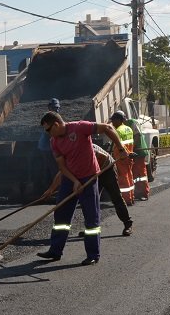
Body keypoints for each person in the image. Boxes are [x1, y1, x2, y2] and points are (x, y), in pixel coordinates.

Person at [36, 111, 125, 266]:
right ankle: (55, 250)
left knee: (91, 216)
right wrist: (74, 182)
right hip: (69, 179)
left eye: (48, 130)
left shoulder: (79, 127)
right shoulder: (54, 142)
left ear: (56, 124)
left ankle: (93, 254)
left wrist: (121, 148)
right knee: (61, 214)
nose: (48, 134)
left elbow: (107, 128)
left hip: (89, 177)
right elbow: (62, 167)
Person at [40, 142, 133, 237]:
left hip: (107, 168)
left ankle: (128, 224)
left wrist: (84, 180)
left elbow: (99, 161)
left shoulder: (86, 150)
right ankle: (91, 227)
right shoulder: (69, 153)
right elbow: (62, 172)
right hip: (93, 171)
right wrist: (51, 189)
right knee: (91, 200)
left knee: (116, 197)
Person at [109, 111, 135, 206]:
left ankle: (125, 200)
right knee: (129, 175)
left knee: (122, 178)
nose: (112, 123)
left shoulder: (118, 131)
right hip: (129, 156)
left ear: (118, 120)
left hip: (121, 157)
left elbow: (118, 145)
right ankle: (131, 197)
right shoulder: (129, 129)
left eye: (113, 121)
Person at [37, 98, 62, 191]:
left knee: (50, 167)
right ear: (50, 108)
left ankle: (49, 188)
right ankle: (55, 189)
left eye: (57, 108)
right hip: (46, 148)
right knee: (53, 168)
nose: (57, 109)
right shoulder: (48, 118)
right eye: (55, 108)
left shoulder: (55, 117)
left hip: (48, 147)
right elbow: (50, 134)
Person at [125, 114, 150, 201]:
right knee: (135, 174)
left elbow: (137, 135)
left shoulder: (131, 122)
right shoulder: (124, 126)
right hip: (133, 152)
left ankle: (144, 193)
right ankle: (138, 192)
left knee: (141, 173)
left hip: (138, 151)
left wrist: (130, 149)